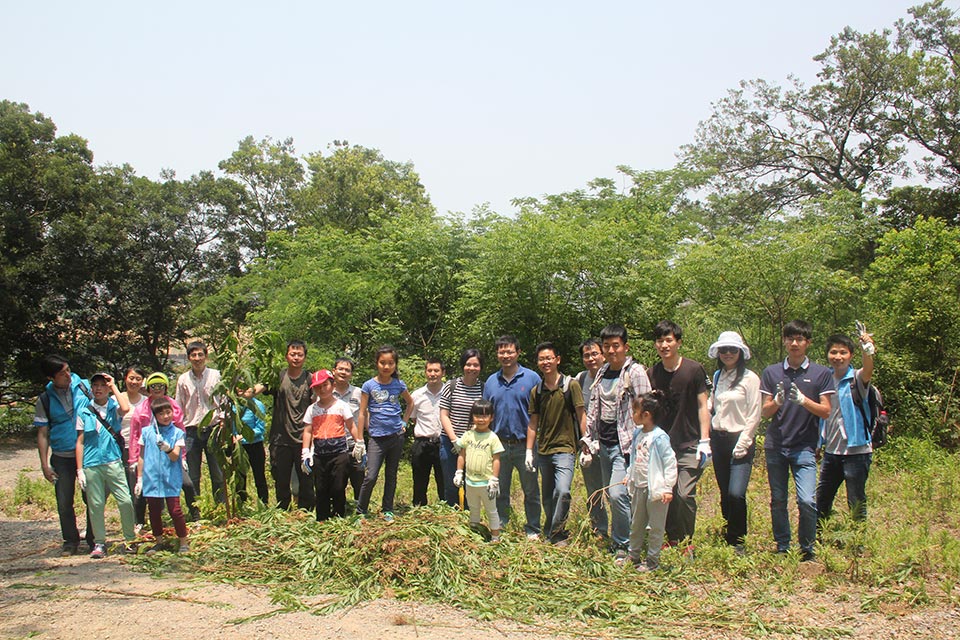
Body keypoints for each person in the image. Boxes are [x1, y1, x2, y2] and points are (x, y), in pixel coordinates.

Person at [760, 320, 834, 561]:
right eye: (790, 338)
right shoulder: (772, 372)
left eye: (800, 339)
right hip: (776, 445)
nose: (794, 343)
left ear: (808, 343)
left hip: (804, 446)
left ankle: (807, 548)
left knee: (806, 500)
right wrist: (778, 401)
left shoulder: (821, 373)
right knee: (778, 499)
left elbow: (826, 411)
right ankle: (782, 546)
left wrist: (804, 401)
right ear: (784, 341)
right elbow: (765, 411)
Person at [583, 325, 651, 564]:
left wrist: (643, 445)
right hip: (605, 444)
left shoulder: (635, 372)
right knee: (615, 495)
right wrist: (588, 439)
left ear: (625, 347)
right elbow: (594, 409)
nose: (612, 350)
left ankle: (623, 544)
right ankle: (630, 538)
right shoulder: (601, 373)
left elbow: (647, 409)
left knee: (617, 493)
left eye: (616, 346)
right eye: (607, 346)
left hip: (627, 446)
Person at [647, 320, 711, 552]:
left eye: (669, 340)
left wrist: (705, 440)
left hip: (690, 443)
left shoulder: (694, 370)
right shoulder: (651, 373)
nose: (664, 345)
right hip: (662, 446)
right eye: (660, 340)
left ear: (678, 342)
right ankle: (671, 538)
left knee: (684, 493)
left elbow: (703, 406)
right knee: (667, 494)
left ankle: (687, 541)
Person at [34, 355, 95, 555]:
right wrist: (44, 465)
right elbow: (43, 433)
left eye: (68, 369)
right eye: (62, 373)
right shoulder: (44, 400)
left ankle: (95, 539)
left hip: (88, 453)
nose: (68, 375)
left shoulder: (85, 387)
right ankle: (70, 541)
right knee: (64, 501)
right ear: (52, 378)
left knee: (93, 498)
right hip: (61, 455)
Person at [707, 331, 762, 551]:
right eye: (724, 350)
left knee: (736, 492)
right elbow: (713, 406)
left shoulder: (750, 378)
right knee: (724, 491)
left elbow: (755, 413)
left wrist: (744, 441)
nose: (728, 354)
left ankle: (739, 539)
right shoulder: (718, 376)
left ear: (740, 352)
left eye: (732, 350)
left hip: (740, 439)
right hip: (718, 440)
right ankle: (729, 530)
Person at [526, 342, 585, 544]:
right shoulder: (537, 391)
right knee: (548, 496)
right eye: (542, 359)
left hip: (566, 449)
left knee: (563, 490)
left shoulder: (571, 385)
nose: (545, 362)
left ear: (557, 359)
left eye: (549, 358)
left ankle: (558, 532)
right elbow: (533, 422)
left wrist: (585, 443)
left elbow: (581, 414)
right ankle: (551, 530)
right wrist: (529, 451)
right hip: (544, 451)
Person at [483, 335, 542, 538]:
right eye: (501, 351)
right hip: (499, 445)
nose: (505, 355)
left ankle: (533, 528)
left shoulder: (532, 378)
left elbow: (540, 412)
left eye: (509, 351)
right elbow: (486, 415)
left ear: (518, 352)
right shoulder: (491, 381)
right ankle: (501, 526)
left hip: (526, 445)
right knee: (499, 489)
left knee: (531, 490)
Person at [817, 331, 876, 526]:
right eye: (833, 352)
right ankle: (818, 537)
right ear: (827, 354)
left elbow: (868, 370)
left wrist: (867, 349)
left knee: (856, 500)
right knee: (822, 500)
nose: (838, 357)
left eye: (843, 352)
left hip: (856, 451)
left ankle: (857, 543)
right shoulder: (824, 380)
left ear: (850, 355)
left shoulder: (856, 379)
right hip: (832, 452)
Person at [248, 340, 315, 511]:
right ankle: (282, 513)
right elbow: (258, 388)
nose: (296, 357)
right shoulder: (278, 376)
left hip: (304, 439)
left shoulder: (310, 378)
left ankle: (306, 513)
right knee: (281, 479)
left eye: (300, 354)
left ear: (305, 357)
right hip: (280, 438)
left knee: (306, 480)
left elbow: (320, 401)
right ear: (286, 356)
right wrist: (243, 392)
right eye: (293, 354)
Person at [75, 373, 136, 558]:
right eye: (95, 385)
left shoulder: (112, 406)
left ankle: (130, 539)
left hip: (113, 461)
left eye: (103, 385)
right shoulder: (84, 411)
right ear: (91, 388)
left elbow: (125, 408)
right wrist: (80, 470)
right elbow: (80, 441)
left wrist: (114, 387)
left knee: (125, 500)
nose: (99, 388)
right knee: (95, 504)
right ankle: (99, 543)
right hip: (91, 463)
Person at [355, 346, 413, 521]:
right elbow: (362, 412)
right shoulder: (369, 385)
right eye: (382, 363)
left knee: (391, 474)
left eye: (390, 363)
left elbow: (410, 403)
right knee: (371, 475)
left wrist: (404, 421)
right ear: (377, 363)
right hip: (377, 438)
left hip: (396, 436)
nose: (386, 367)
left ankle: (388, 509)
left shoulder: (399, 384)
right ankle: (361, 511)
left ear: (395, 365)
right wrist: (359, 439)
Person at [626, 390, 677, 571]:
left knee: (655, 526)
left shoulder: (660, 437)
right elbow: (633, 458)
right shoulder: (637, 434)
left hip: (656, 489)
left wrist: (667, 487)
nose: (632, 415)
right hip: (639, 486)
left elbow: (670, 462)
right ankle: (633, 554)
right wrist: (628, 475)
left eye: (635, 411)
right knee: (636, 523)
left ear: (646, 415)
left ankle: (653, 560)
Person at [301, 370, 361, 520]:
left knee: (338, 486)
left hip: (339, 454)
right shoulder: (312, 409)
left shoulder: (341, 406)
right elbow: (308, 431)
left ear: (333, 385)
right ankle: (322, 518)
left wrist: (360, 443)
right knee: (321, 488)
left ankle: (339, 515)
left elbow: (351, 425)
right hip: (320, 455)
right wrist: (305, 453)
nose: (322, 389)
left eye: (325, 385)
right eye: (317, 387)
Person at [129, 373, 190, 520]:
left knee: (187, 484)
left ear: (166, 388)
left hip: (170, 454)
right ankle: (140, 521)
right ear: (148, 388)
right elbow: (135, 436)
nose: (157, 389)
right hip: (148, 456)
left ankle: (195, 515)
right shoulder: (141, 410)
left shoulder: (174, 407)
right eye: (153, 386)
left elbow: (181, 431)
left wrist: (182, 457)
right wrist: (134, 460)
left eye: (160, 386)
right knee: (142, 490)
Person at [175, 340, 225, 517]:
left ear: (206, 356)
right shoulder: (183, 379)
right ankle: (196, 512)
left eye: (200, 354)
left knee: (217, 473)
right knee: (193, 475)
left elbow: (224, 401)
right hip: (191, 430)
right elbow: (179, 407)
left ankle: (220, 509)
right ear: (189, 357)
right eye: (193, 355)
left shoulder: (216, 376)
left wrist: (224, 422)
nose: (197, 358)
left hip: (213, 428)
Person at [136, 396, 189, 553]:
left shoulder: (177, 433)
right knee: (154, 511)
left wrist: (167, 448)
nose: (166, 416)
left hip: (170, 478)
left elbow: (175, 457)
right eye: (161, 414)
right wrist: (139, 478)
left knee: (175, 510)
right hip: (151, 478)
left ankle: (184, 542)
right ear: (154, 416)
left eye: (168, 412)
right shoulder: (146, 432)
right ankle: (158, 541)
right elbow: (141, 456)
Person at [439, 349, 484, 507]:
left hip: (474, 444)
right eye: (468, 364)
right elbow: (444, 415)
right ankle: (452, 517)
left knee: (472, 483)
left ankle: (470, 517)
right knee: (452, 483)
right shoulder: (450, 386)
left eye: (476, 365)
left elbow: (485, 417)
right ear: (462, 366)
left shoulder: (483, 389)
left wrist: (467, 440)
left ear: (480, 367)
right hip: (449, 442)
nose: (472, 368)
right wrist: (454, 440)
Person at [453, 400, 503, 543]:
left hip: (487, 483)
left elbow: (496, 459)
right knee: (473, 509)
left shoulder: (493, 437)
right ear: (472, 417)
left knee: (491, 510)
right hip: (470, 482)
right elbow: (462, 454)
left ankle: (495, 537)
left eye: (485, 416)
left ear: (491, 417)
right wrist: (459, 472)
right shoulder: (468, 435)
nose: (481, 419)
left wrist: (494, 479)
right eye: (477, 416)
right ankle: (475, 535)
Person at [575, 338, 607, 539]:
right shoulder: (580, 379)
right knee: (594, 490)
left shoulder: (615, 375)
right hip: (589, 445)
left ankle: (626, 533)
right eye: (586, 355)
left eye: (595, 354)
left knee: (618, 492)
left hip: (614, 443)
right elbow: (580, 413)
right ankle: (599, 530)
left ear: (603, 355)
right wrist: (585, 442)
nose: (591, 358)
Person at [409, 358, 445, 507]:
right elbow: (413, 419)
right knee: (419, 481)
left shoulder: (449, 393)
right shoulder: (417, 395)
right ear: (425, 373)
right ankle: (419, 510)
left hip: (443, 443)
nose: (432, 374)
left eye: (436, 371)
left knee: (444, 480)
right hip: (422, 443)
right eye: (429, 370)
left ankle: (446, 509)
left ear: (443, 373)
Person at [119, 366, 149, 528]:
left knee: (138, 484)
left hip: (140, 449)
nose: (134, 382)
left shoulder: (146, 401)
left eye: (138, 379)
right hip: (121, 446)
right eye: (131, 378)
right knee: (122, 486)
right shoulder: (117, 398)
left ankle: (139, 521)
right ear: (125, 379)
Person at [332, 357, 364, 501]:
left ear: (351, 374)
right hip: (334, 446)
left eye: (347, 370)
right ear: (334, 371)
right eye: (340, 369)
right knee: (337, 484)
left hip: (354, 445)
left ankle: (361, 511)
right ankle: (339, 511)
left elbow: (365, 416)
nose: (343, 372)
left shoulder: (359, 393)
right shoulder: (325, 392)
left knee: (359, 481)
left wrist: (362, 441)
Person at [235, 397, 269, 506]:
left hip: (255, 445)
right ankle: (241, 505)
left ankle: (264, 504)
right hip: (239, 446)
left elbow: (260, 429)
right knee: (240, 479)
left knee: (259, 476)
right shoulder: (233, 405)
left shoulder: (257, 405)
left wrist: (244, 435)